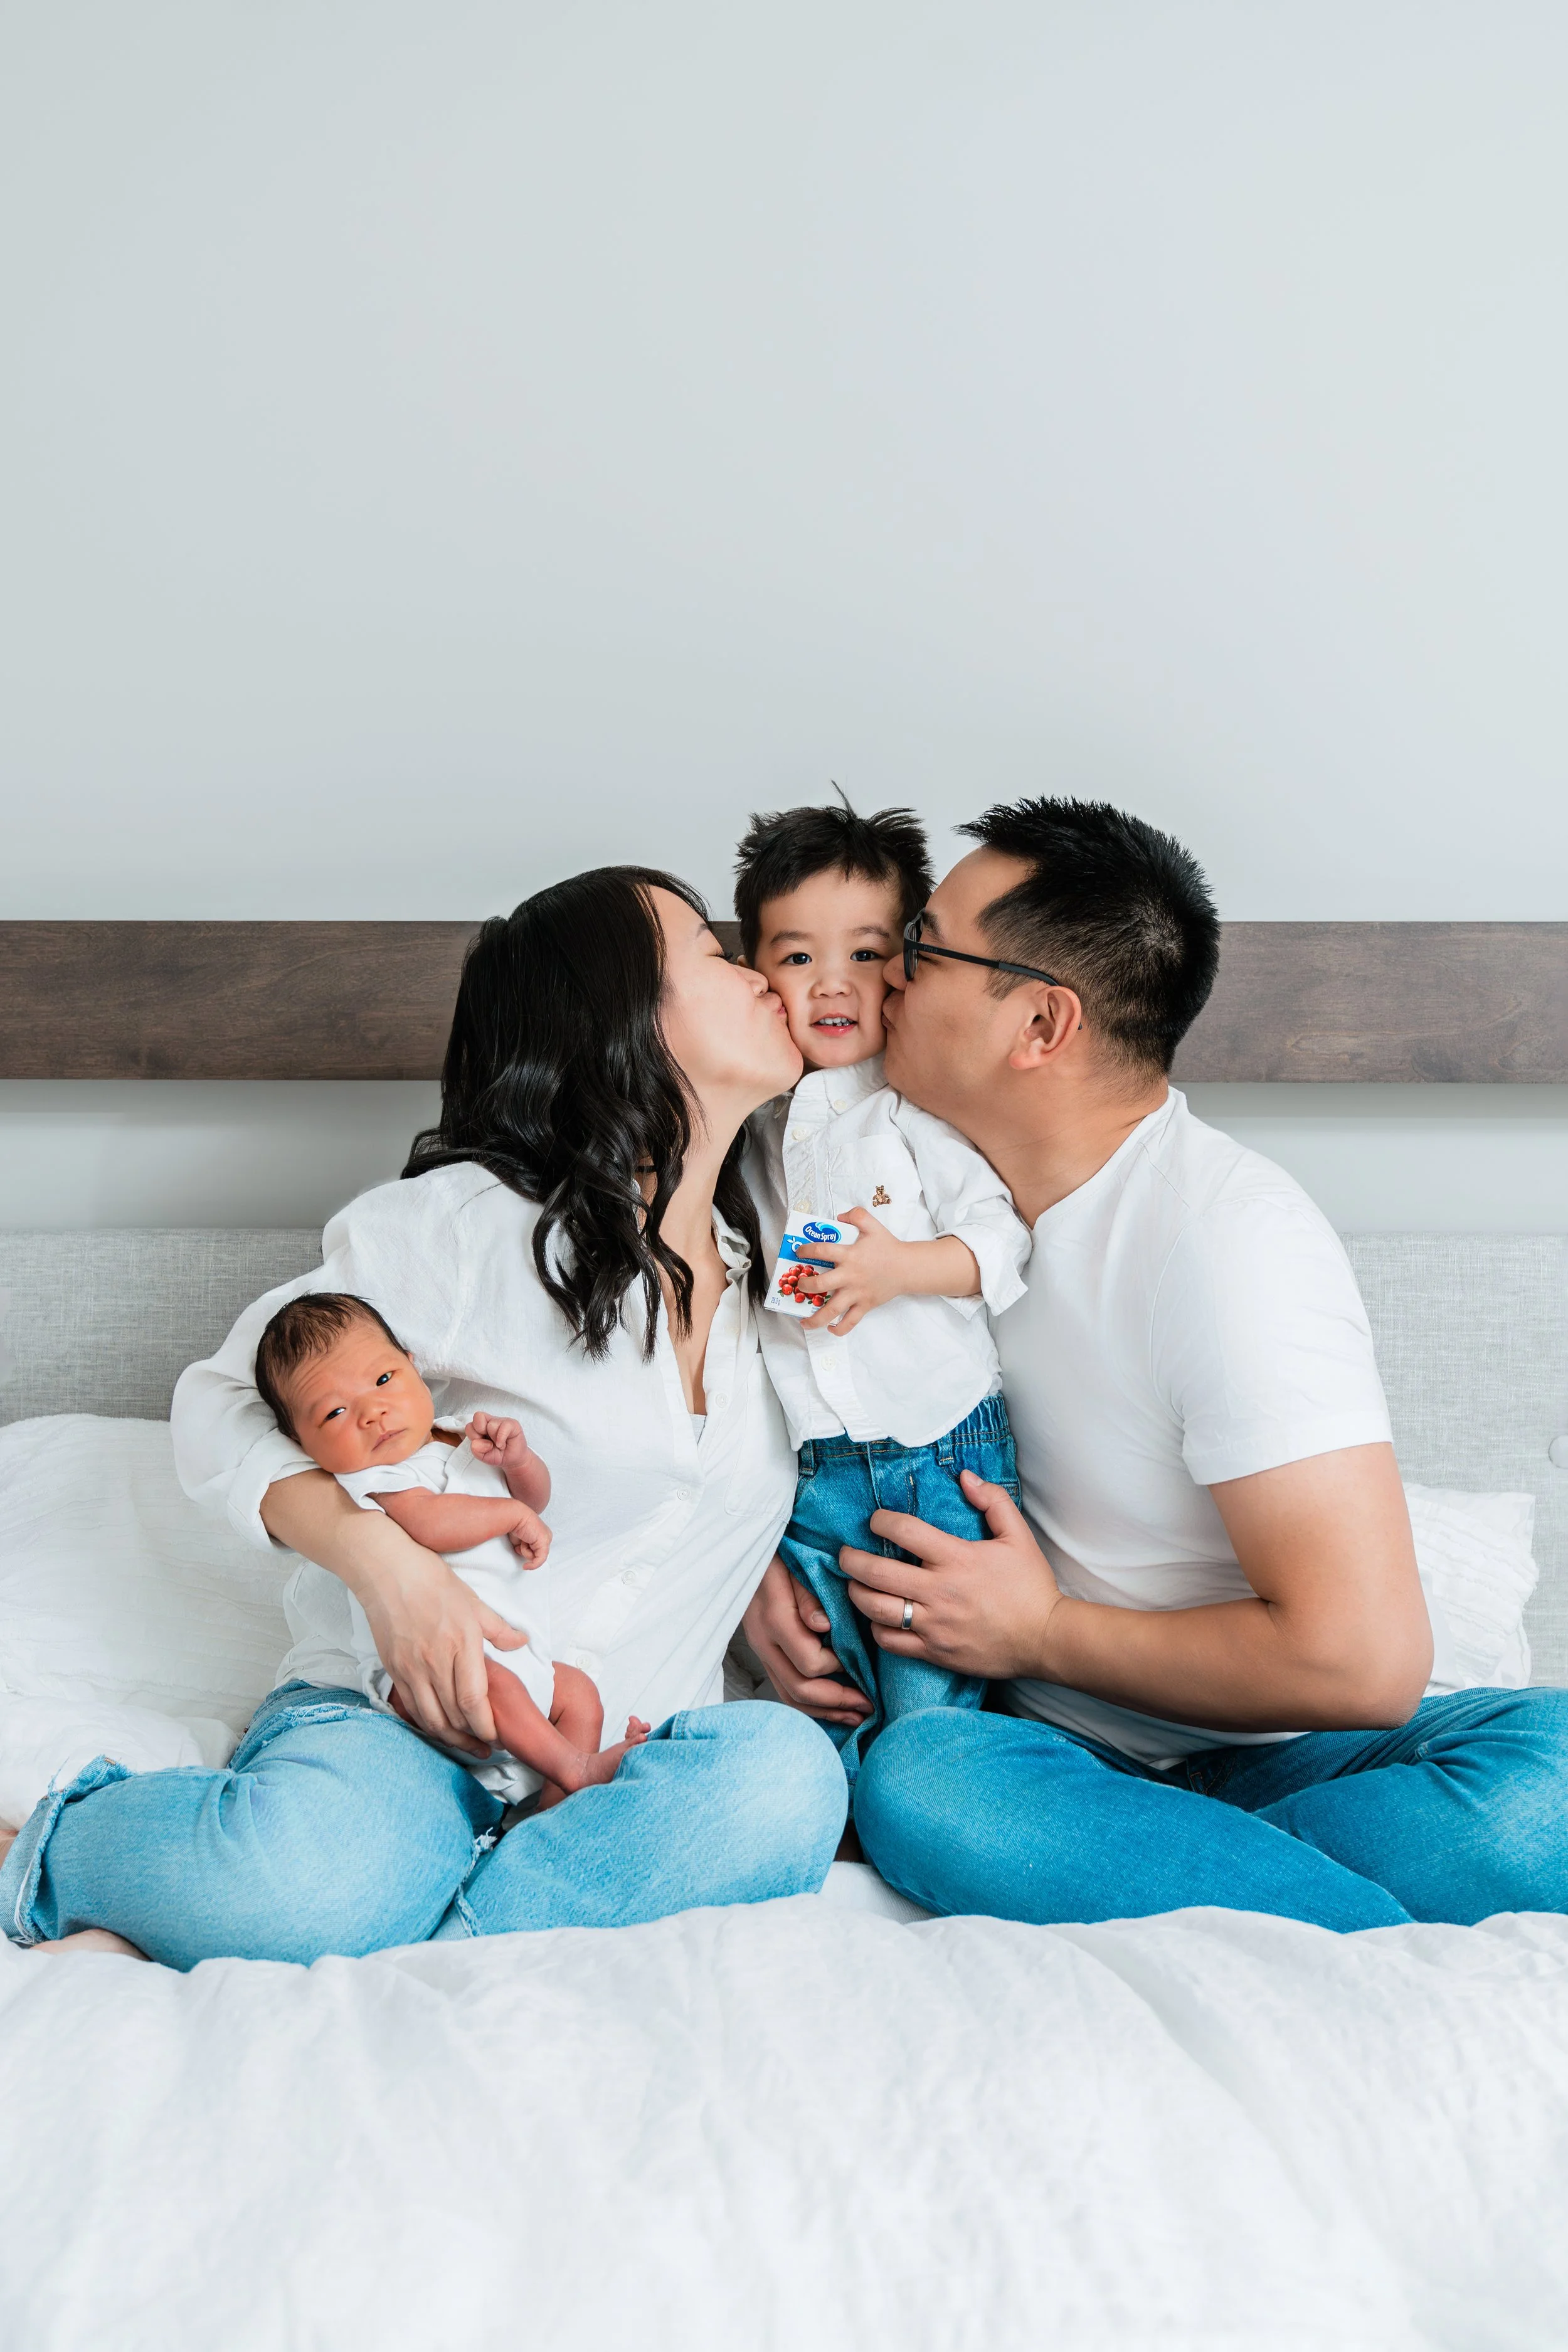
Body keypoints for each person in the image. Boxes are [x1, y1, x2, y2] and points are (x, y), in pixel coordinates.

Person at [743, 798, 1568, 1931]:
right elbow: (747, 1400)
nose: (883, 981)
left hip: (1294, 1755)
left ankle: (1213, 1894)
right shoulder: (890, 1194)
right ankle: (1301, 1913)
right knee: (925, 1781)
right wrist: (750, 1584)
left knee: (1552, 1781)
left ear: (1040, 1025)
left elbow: (1363, 1665)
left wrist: (1034, 1632)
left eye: (921, 950)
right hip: (1037, 1757)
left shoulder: (1226, 1238)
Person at [0, 869, 846, 1968]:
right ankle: (60, 1848)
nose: (758, 974)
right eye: (713, 950)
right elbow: (217, 1401)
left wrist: (757, 1575)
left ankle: (414, 1932)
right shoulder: (472, 1228)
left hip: (606, 1769)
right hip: (397, 1730)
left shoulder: (791, 1266)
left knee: (787, 1782)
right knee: (301, 1885)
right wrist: (390, 1574)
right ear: (620, 1018)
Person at [734, 794, 1030, 1777]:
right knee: (824, 1690)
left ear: (907, 965)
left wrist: (899, 1265)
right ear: (755, 975)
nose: (833, 984)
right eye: (797, 955)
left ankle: (944, 1805)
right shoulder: (749, 1132)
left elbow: (1001, 1243)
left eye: (865, 954)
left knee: (928, 1716)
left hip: (935, 1453)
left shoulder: (913, 1111)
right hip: (813, 1473)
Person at [252, 1290, 649, 1809]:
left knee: (577, 1694)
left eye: (383, 1380)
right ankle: (574, 1769)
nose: (373, 1413)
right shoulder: (374, 1479)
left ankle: (552, 1818)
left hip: (514, 1658)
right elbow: (429, 1524)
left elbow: (532, 1502)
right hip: (429, 1674)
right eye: (335, 1412)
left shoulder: (461, 1436)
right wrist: (510, 1515)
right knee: (496, 1683)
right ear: (302, 1444)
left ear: (415, 1367)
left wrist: (519, 1464)